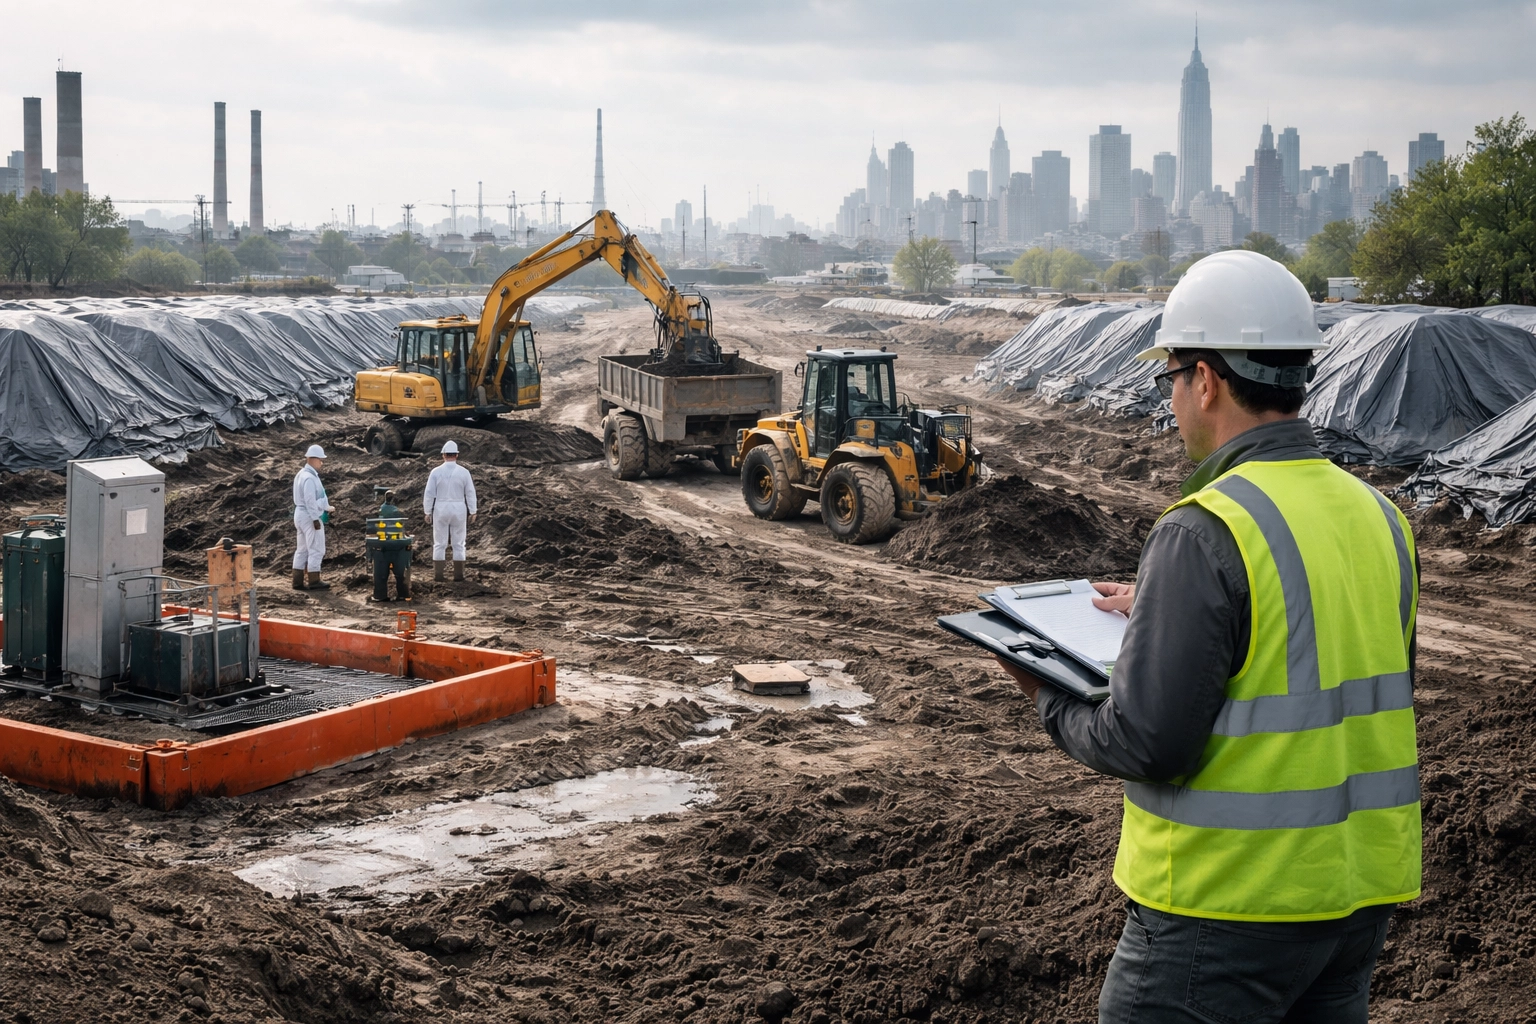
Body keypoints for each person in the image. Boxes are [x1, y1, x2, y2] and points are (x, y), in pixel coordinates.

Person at [997, 249, 1420, 1023]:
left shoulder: (1205, 529)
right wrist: (1170, 611)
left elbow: (1147, 742)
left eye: (1172, 379)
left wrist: (1046, 696)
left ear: (1206, 379)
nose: (1175, 403)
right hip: (1354, 900)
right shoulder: (1381, 519)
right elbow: (1318, 652)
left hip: (1225, 909)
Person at [423, 439, 477, 581]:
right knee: (459, 543)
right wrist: (473, 511)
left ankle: (439, 576)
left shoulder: (435, 472)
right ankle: (459, 576)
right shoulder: (464, 472)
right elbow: (470, 493)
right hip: (459, 508)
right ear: (457, 455)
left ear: (443, 455)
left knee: (439, 543)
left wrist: (427, 511)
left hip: (440, 508)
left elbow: (429, 493)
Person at [291, 444, 336, 591]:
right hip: (309, 516)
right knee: (316, 548)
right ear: (313, 459)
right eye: (320, 460)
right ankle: (314, 580)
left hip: (300, 514)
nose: (321, 463)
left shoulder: (301, 474)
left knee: (302, 549)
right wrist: (316, 519)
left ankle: (297, 582)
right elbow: (310, 500)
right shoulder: (309, 478)